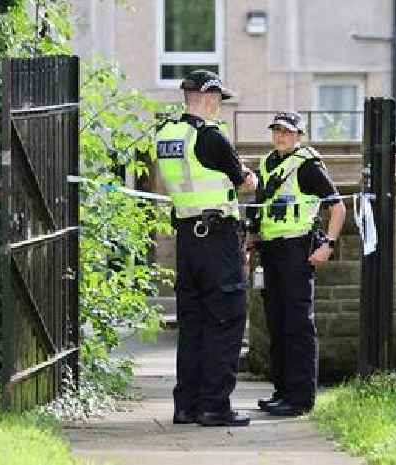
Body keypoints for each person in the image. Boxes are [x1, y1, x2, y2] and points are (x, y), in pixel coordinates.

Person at [155, 69, 257, 427]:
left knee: (193, 324)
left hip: (186, 237)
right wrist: (250, 177)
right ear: (210, 97)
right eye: (219, 100)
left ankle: (187, 406)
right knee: (227, 319)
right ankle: (215, 406)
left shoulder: (166, 134)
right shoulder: (211, 137)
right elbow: (244, 182)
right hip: (217, 239)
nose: (219, 107)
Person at [249, 111, 346, 416]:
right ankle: (282, 392)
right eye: (277, 131)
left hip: (296, 248)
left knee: (298, 325)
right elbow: (260, 205)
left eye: (288, 132)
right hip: (271, 249)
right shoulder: (268, 162)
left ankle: (301, 398)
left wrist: (328, 245)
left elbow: (338, 206)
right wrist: (251, 238)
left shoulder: (307, 166)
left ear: (299, 136)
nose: (281, 137)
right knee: (276, 324)